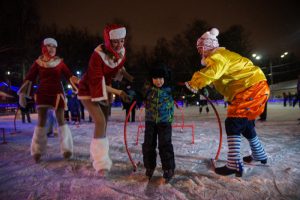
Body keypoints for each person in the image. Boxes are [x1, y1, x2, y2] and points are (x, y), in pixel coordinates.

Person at [184, 28, 269, 177]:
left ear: (207, 47)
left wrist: (195, 82)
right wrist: (208, 83)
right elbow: (223, 78)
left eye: (200, 49)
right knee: (245, 124)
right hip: (255, 87)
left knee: (233, 122)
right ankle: (259, 154)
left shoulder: (217, 56)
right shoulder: (224, 56)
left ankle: (234, 164)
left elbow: (213, 72)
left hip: (250, 88)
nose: (199, 52)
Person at [78, 24, 133, 174]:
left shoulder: (121, 52)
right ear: (108, 40)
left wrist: (130, 77)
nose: (119, 44)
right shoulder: (97, 55)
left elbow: (118, 68)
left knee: (105, 123)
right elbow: (97, 82)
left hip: (104, 89)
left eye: (122, 40)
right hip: (89, 90)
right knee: (100, 121)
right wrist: (118, 92)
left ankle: (98, 153)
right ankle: (101, 163)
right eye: (116, 41)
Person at [17, 37, 79, 162]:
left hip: (57, 93)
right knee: (41, 121)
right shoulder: (38, 63)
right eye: (49, 46)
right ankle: (37, 151)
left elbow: (69, 75)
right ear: (44, 47)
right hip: (43, 93)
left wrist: (80, 84)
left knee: (61, 120)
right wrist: (23, 94)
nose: (52, 49)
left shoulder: (60, 62)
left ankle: (67, 150)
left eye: (54, 46)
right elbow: (30, 77)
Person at [142, 65, 175, 181]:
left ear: (165, 78)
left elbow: (186, 90)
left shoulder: (170, 90)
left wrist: (193, 88)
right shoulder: (148, 90)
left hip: (165, 122)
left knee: (164, 144)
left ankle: (168, 168)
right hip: (150, 121)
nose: (158, 81)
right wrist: (132, 97)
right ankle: (149, 167)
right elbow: (137, 95)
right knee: (148, 144)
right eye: (155, 78)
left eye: (161, 78)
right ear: (151, 79)